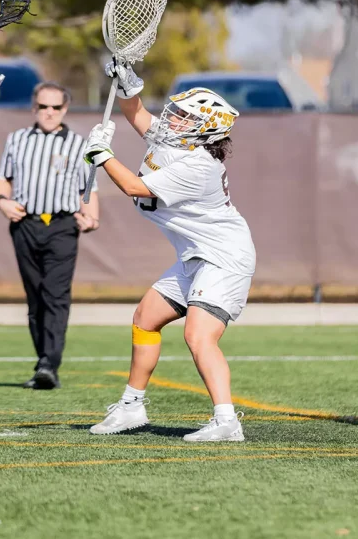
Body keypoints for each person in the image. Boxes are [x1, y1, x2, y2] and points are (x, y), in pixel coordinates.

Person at [82, 63, 256, 442]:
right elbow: (137, 114)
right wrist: (128, 86)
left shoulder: (198, 165)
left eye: (182, 117)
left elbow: (133, 187)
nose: (171, 119)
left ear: (203, 130)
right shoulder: (175, 141)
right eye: (176, 112)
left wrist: (101, 153)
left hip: (224, 257)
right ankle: (131, 407)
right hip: (196, 255)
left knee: (198, 335)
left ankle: (227, 421)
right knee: (145, 318)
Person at [0, 82, 100, 389]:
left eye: (55, 107)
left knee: (56, 294)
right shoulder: (17, 140)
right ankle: (43, 359)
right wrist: (3, 202)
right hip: (26, 223)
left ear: (65, 109)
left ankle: (49, 362)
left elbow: (88, 188)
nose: (49, 113)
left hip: (62, 225)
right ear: (34, 108)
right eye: (43, 107)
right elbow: (2, 180)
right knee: (35, 296)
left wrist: (92, 216)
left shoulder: (79, 144)